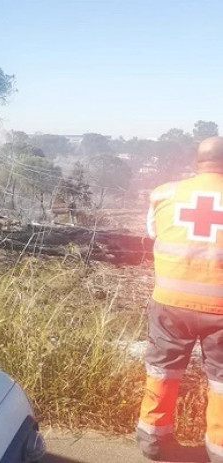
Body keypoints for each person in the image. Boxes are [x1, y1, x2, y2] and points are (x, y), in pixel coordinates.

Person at [138, 136, 223, 461]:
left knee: (161, 370)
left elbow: (153, 232)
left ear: (198, 162)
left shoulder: (164, 193)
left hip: (170, 303)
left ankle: (153, 440)